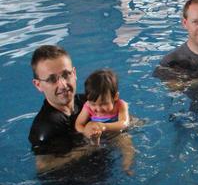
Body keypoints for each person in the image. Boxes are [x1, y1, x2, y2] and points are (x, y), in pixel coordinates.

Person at [29, 45, 90, 173]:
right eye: (52, 79)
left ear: (74, 74)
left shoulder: (89, 102)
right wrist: (89, 148)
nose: (63, 85)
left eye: (66, 75)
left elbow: (128, 123)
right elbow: (44, 167)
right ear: (38, 85)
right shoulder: (44, 128)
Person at [74, 69, 134, 174]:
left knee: (127, 145)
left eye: (103, 103)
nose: (98, 108)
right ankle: (94, 145)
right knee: (87, 148)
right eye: (93, 104)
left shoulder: (120, 105)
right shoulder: (87, 106)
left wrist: (105, 127)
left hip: (117, 133)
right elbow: (78, 124)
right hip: (97, 135)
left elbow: (124, 123)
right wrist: (86, 132)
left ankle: (126, 166)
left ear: (115, 97)